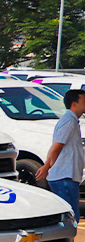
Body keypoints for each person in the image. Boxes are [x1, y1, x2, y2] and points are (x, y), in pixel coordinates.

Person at [35, 89, 85, 224]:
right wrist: (47, 167)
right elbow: (56, 147)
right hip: (64, 177)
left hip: (67, 176)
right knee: (70, 218)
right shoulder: (68, 121)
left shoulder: (72, 121)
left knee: (70, 217)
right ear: (74, 104)